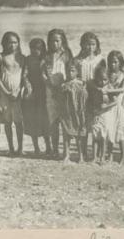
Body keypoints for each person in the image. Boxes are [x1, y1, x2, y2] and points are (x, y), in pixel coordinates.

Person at [0, 31, 26, 156]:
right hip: (5, 94)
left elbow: (24, 77)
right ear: (4, 43)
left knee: (19, 122)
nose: (12, 45)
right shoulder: (0, 57)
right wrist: (6, 92)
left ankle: (20, 148)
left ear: (18, 43)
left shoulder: (22, 57)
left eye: (15, 42)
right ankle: (11, 148)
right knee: (7, 122)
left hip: (17, 94)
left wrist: (18, 91)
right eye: (9, 42)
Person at [43, 29, 73, 158]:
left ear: (62, 41)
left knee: (66, 120)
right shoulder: (46, 55)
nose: (54, 43)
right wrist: (48, 82)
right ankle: (55, 149)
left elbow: (71, 70)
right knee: (52, 122)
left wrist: (67, 84)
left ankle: (67, 150)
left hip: (64, 90)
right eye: (52, 41)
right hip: (50, 91)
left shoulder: (67, 54)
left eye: (57, 41)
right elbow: (42, 72)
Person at [75, 32, 104, 159]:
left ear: (96, 45)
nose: (90, 47)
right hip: (81, 93)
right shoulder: (78, 60)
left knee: (96, 123)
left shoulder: (100, 59)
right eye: (87, 44)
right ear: (82, 45)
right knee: (83, 123)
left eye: (93, 44)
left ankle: (96, 153)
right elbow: (74, 76)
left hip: (95, 93)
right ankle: (83, 152)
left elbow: (104, 76)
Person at [22, 38, 50, 155]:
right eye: (33, 48)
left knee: (45, 121)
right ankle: (36, 148)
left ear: (43, 49)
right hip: (32, 93)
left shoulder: (46, 59)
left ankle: (49, 147)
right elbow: (24, 75)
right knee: (32, 121)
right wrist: (28, 86)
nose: (35, 51)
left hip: (44, 93)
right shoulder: (28, 59)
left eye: (38, 49)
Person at [61, 59, 88, 163]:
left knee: (79, 135)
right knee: (66, 134)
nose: (69, 73)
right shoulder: (64, 84)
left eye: (72, 70)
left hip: (78, 112)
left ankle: (80, 155)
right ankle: (67, 154)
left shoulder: (81, 84)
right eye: (67, 70)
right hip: (67, 112)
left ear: (77, 71)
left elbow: (85, 97)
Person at [104, 50, 124, 164]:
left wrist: (109, 90)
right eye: (111, 62)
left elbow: (122, 89)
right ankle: (110, 154)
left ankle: (123, 155)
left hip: (119, 106)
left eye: (115, 62)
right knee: (110, 130)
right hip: (109, 106)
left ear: (120, 63)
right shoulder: (107, 74)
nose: (113, 64)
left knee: (121, 130)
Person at [89, 64, 116, 164]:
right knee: (95, 137)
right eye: (100, 79)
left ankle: (102, 157)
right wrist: (94, 110)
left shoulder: (109, 87)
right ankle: (94, 157)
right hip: (96, 115)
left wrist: (106, 106)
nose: (103, 82)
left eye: (105, 79)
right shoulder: (94, 88)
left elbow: (115, 101)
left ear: (108, 79)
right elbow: (91, 101)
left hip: (106, 115)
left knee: (104, 137)